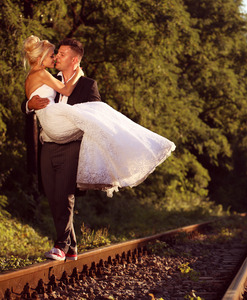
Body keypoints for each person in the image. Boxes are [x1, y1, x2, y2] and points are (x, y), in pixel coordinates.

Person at [22, 35, 176, 261]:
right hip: (48, 144)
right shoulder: (48, 78)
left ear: (75, 60)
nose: (57, 58)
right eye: (56, 54)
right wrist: (28, 105)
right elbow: (29, 99)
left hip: (71, 147)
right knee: (53, 197)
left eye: (62, 54)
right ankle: (72, 246)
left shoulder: (87, 85)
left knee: (64, 196)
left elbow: (96, 116)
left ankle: (60, 246)